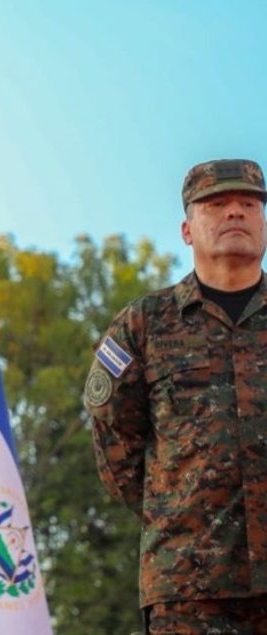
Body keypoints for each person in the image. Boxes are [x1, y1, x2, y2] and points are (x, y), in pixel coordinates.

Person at [84, 159, 267, 632]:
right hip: (189, 588)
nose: (235, 214)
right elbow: (114, 438)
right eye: (217, 204)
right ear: (187, 230)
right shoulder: (144, 324)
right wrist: (179, 505)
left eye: (249, 204)